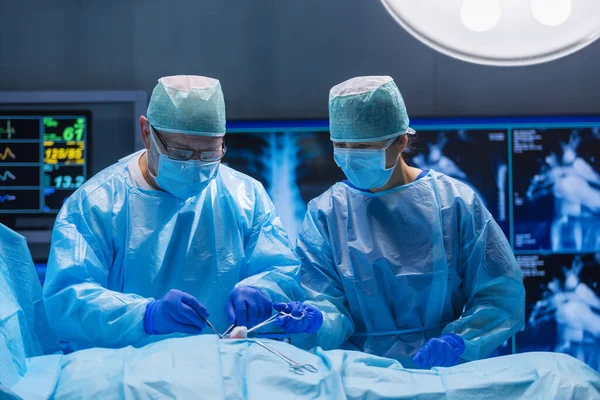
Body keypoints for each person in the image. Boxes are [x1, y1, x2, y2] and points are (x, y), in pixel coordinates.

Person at [43, 75, 321, 350]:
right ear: (146, 133)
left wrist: (263, 290)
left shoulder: (246, 196)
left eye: (210, 153)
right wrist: (146, 316)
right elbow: (68, 300)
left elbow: (281, 271)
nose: (195, 166)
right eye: (181, 153)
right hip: (126, 374)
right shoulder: (96, 204)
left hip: (222, 367)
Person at [294, 76, 525, 369]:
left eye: (363, 148)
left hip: (441, 369)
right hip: (360, 374)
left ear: (401, 140)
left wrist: (462, 340)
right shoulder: (326, 212)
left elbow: (500, 293)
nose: (351, 158)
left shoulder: (453, 201)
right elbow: (323, 301)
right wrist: (317, 320)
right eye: (341, 145)